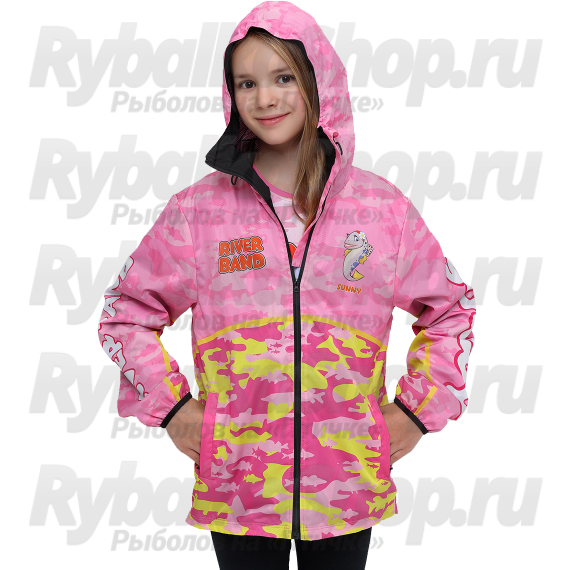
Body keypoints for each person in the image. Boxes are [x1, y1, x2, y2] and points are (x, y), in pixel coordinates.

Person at [96, 2, 477, 568]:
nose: (265, 99)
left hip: (346, 485)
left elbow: (450, 311)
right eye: (246, 83)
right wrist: (174, 409)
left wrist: (417, 411)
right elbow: (126, 314)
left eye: (283, 78)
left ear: (319, 82)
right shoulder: (199, 213)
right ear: (230, 94)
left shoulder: (380, 211)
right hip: (239, 490)